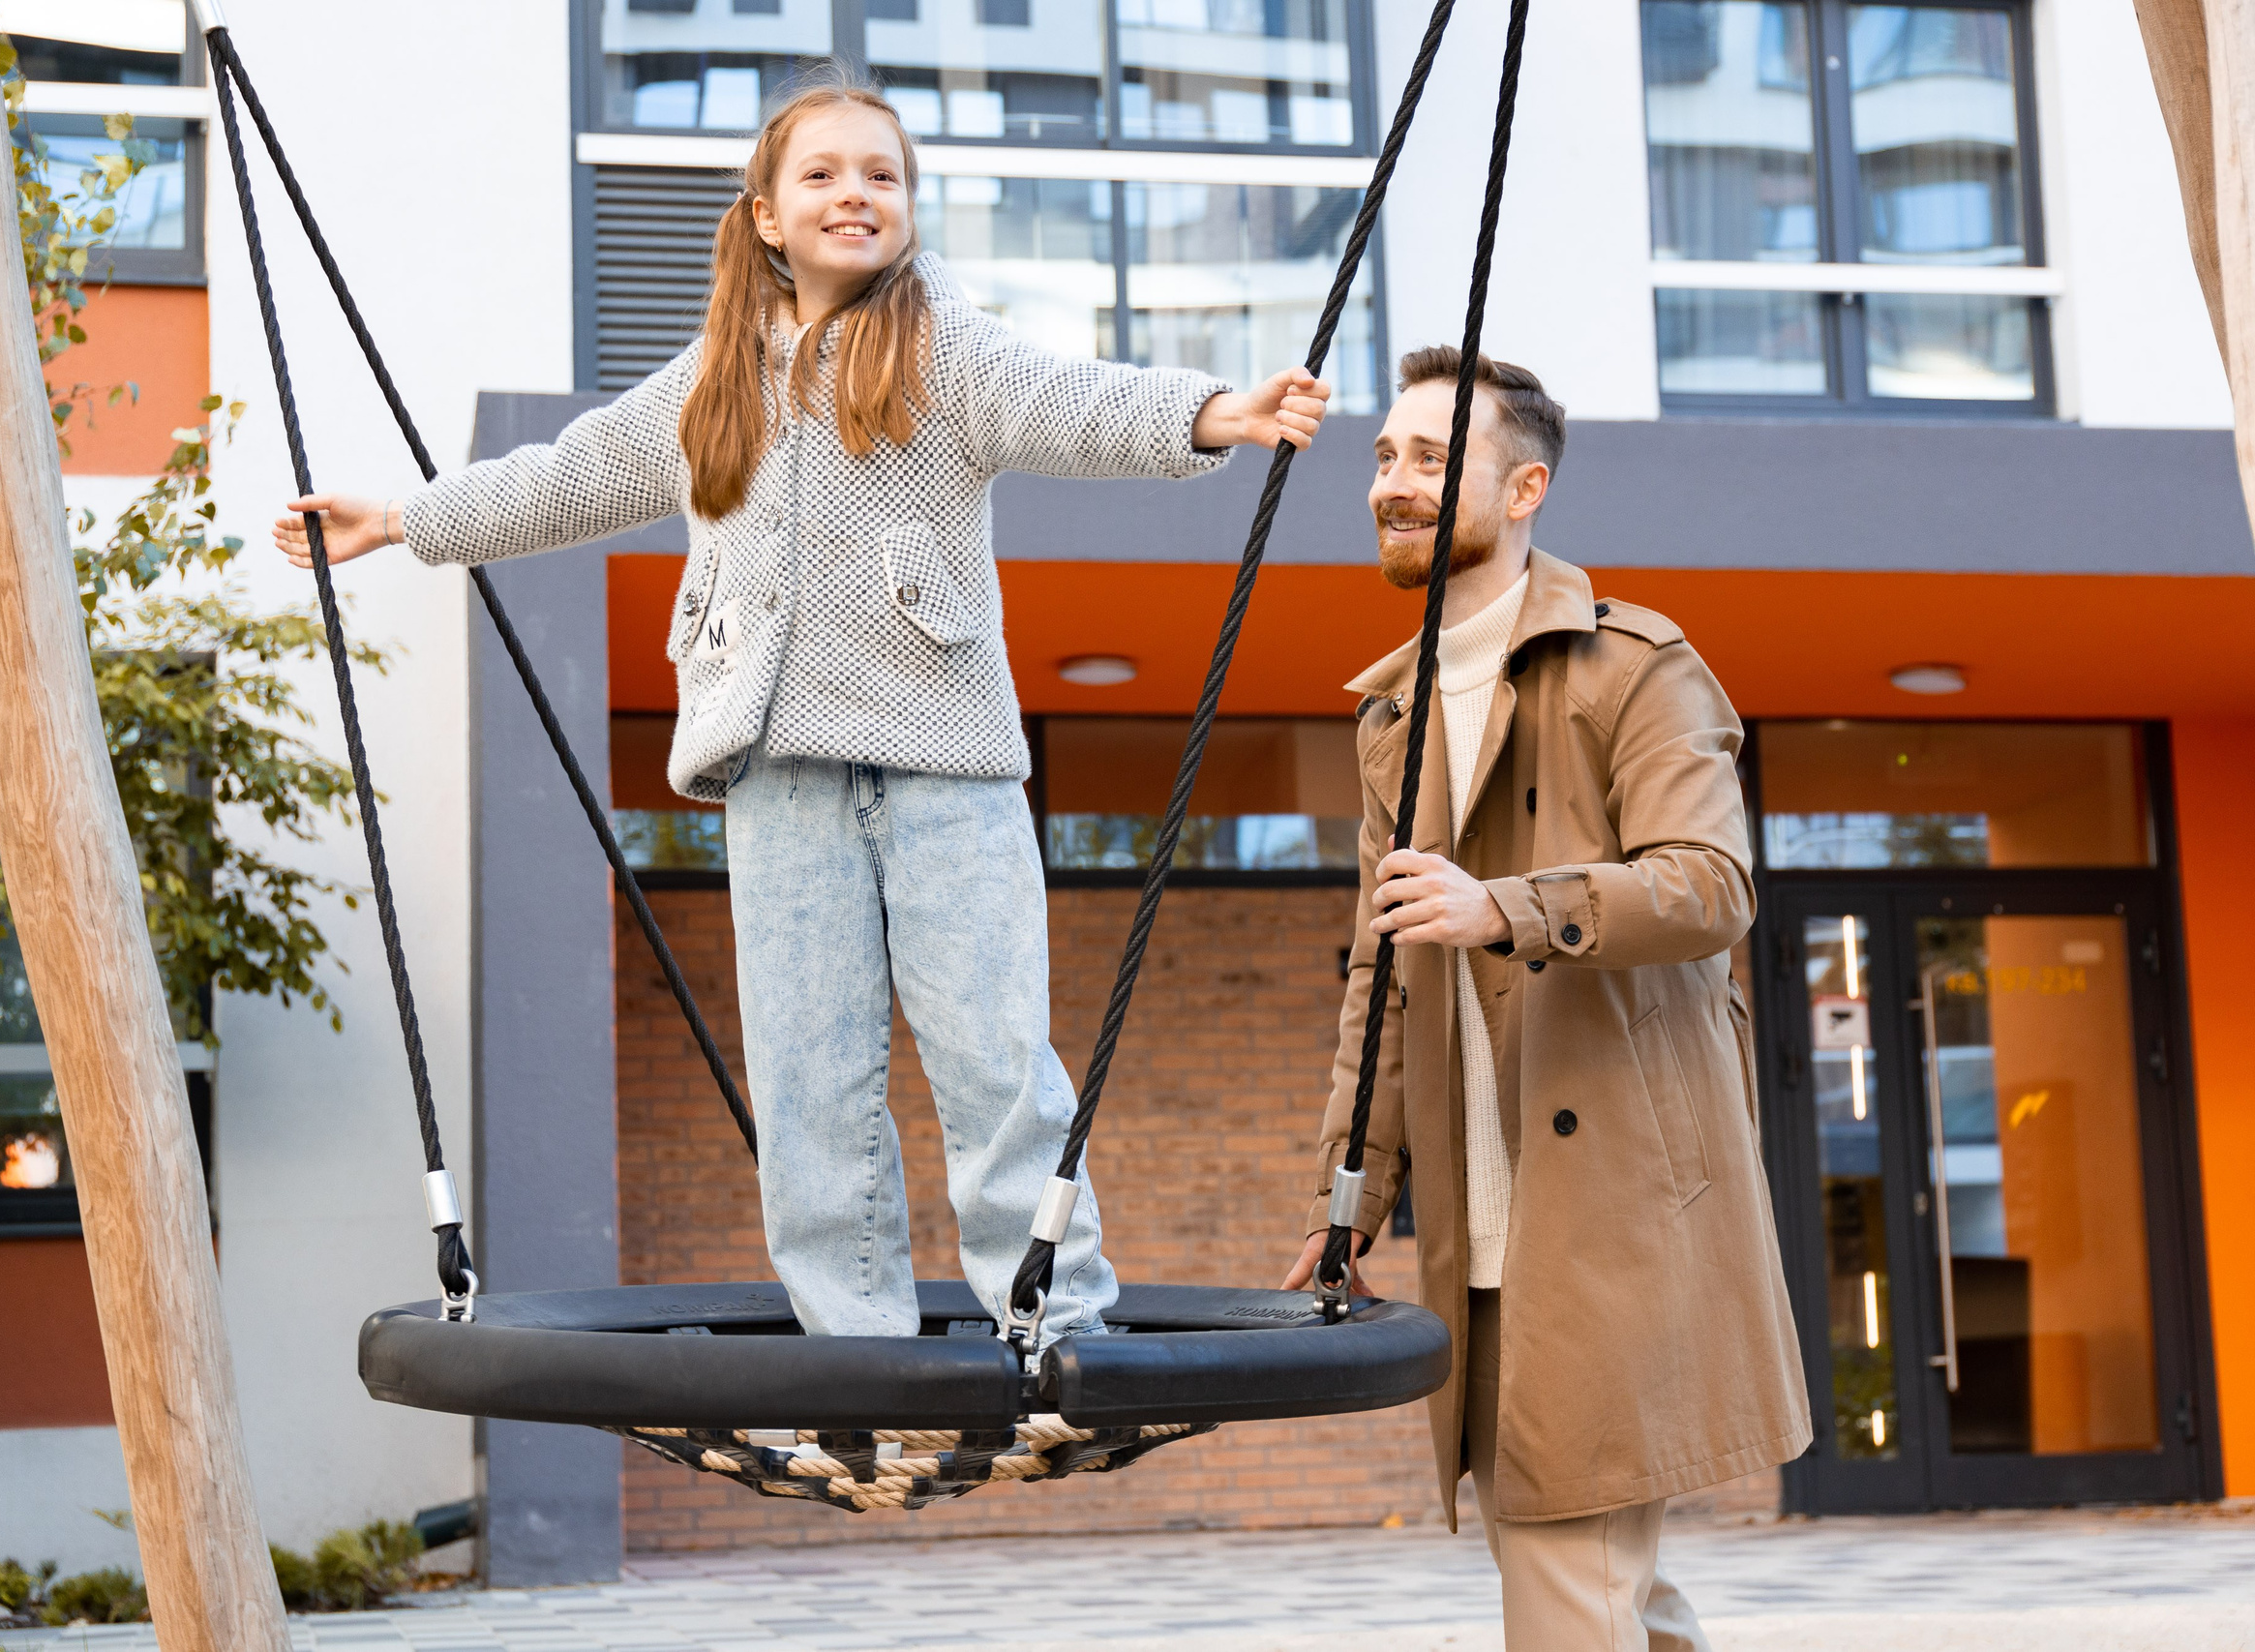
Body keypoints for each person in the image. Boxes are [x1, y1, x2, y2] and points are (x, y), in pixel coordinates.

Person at [274, 73, 1329, 1345]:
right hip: (777, 771)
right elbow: (570, 477)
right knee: (808, 1078)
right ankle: (854, 1347)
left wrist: (1215, 413)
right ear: (767, 215)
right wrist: (403, 519)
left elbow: (1071, 399)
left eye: (882, 175)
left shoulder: (943, 347)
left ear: (910, 207)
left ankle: (1053, 1323)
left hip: (942, 762)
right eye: (822, 174)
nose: (855, 194)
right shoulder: (714, 380)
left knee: (995, 1058)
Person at [1281, 345, 1807, 1651]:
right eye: (1385, 457)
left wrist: (1505, 907)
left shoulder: (1637, 666)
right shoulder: (1391, 716)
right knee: (1599, 1573)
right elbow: (1381, 976)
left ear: (1525, 490)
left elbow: (1710, 886)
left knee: (1571, 1581)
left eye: (1431, 457)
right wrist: (1350, 1197)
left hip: (1617, 1210)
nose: (1393, 482)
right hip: (1481, 1226)